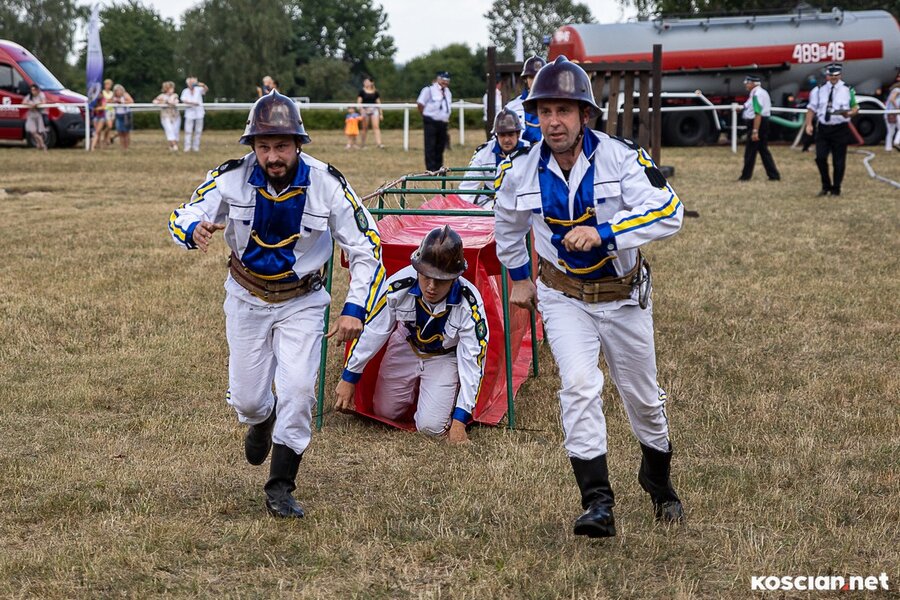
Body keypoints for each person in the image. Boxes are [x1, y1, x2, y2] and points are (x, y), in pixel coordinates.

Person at [167, 91, 385, 519]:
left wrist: (355, 307)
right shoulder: (231, 177)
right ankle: (261, 419)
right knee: (247, 401)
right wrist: (193, 229)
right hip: (246, 297)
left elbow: (367, 246)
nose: (272, 156)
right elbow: (183, 212)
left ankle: (281, 486)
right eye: (263, 146)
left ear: (298, 143)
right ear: (252, 146)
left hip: (302, 300)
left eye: (282, 145)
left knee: (299, 391)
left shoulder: (327, 183)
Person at [493, 56, 685, 539]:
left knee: (644, 401)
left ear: (585, 115)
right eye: (545, 112)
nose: (553, 122)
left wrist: (606, 232)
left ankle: (657, 481)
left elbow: (669, 210)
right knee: (579, 385)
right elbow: (508, 227)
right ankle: (597, 503)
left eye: (564, 111)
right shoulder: (520, 170)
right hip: (563, 297)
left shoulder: (622, 157)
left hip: (623, 296)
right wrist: (519, 277)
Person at [334, 226, 488, 444]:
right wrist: (349, 377)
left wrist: (460, 421)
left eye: (440, 279)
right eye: (426, 276)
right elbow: (374, 329)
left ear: (455, 278)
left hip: (444, 356)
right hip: (406, 345)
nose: (431, 286)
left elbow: (473, 362)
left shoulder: (470, 304)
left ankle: (441, 399)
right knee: (384, 412)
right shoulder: (399, 285)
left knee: (430, 428)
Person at [803, 63, 857, 197]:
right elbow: (811, 108)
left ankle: (836, 188)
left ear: (840, 75)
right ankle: (825, 185)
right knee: (820, 158)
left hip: (840, 128)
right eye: (831, 75)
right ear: (827, 75)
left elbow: (855, 107)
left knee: (838, 161)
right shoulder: (818, 90)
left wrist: (849, 114)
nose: (834, 78)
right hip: (823, 128)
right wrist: (809, 124)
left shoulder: (847, 89)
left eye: (836, 75)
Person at [459, 108, 529, 208]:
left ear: (518, 134)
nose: (506, 140)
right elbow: (467, 188)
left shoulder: (530, 151)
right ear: (496, 135)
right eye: (502, 135)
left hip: (522, 202)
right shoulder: (483, 153)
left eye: (510, 134)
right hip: (491, 203)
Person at [738, 75, 780, 181]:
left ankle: (745, 176)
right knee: (763, 150)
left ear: (753, 83)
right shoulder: (758, 93)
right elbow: (748, 105)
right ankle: (773, 175)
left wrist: (755, 130)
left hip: (758, 123)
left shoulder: (757, 94)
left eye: (748, 83)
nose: (746, 85)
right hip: (760, 122)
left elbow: (758, 113)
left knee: (750, 151)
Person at [504, 55, 545, 144]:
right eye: (532, 77)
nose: (536, 80)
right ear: (525, 79)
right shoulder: (511, 107)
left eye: (539, 76)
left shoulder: (555, 104)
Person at [417, 71, 452, 171]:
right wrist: (425, 116)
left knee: (440, 147)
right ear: (438, 79)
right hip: (431, 121)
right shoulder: (429, 90)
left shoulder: (448, 92)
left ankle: (438, 168)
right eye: (443, 79)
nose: (445, 82)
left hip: (443, 123)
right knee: (430, 146)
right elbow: (420, 104)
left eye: (447, 80)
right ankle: (431, 169)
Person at [181, 76, 208, 152]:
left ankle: (196, 147)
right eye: (190, 83)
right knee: (188, 131)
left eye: (193, 83)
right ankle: (187, 147)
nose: (191, 84)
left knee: (198, 131)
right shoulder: (185, 91)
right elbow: (183, 100)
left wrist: (202, 85)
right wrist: (193, 103)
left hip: (199, 113)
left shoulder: (199, 89)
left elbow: (206, 90)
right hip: (189, 113)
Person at [153, 80, 181, 151]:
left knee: (175, 130)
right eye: (171, 88)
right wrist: (163, 102)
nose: (172, 89)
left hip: (175, 115)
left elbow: (174, 101)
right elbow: (155, 101)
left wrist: (166, 102)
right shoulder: (161, 96)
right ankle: (174, 146)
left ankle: (172, 146)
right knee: (169, 130)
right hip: (166, 116)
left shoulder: (175, 95)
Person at [357, 76, 384, 149]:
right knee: (364, 128)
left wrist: (381, 113)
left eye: (367, 82)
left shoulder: (375, 92)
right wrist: (362, 110)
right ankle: (363, 144)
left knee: (376, 127)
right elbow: (359, 103)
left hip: (374, 110)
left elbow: (379, 103)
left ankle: (379, 143)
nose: (365, 83)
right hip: (364, 110)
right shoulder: (362, 92)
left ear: (371, 83)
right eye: (365, 82)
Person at [23, 84, 48, 151]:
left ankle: (39, 145)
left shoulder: (41, 94)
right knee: (32, 131)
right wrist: (30, 104)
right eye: (32, 90)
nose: (33, 91)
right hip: (31, 115)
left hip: (39, 114)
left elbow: (44, 102)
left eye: (34, 90)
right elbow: (23, 102)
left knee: (40, 131)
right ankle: (43, 145)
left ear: (37, 90)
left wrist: (36, 104)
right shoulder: (29, 96)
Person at [111, 83, 134, 152]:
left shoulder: (125, 95)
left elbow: (131, 101)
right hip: (118, 115)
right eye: (116, 91)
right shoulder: (114, 97)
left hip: (126, 115)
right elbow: (109, 101)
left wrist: (122, 102)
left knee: (126, 132)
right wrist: (114, 101)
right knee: (120, 132)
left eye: (119, 90)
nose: (118, 92)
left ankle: (127, 147)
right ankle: (122, 147)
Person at [882, 75, 900, 151]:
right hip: (892, 112)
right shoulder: (897, 90)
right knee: (892, 130)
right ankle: (896, 142)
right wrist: (897, 107)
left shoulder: (895, 90)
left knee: (891, 131)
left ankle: (888, 147)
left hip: (891, 112)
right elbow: (892, 99)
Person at [89, 85, 108, 151]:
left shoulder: (103, 99)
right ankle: (99, 145)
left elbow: (103, 107)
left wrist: (96, 108)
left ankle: (92, 147)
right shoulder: (93, 99)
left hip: (101, 117)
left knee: (96, 132)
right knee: (98, 132)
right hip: (95, 117)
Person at [102, 79, 116, 147]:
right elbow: (103, 101)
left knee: (110, 127)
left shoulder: (112, 93)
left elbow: (113, 100)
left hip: (112, 110)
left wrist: (110, 101)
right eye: (107, 84)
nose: (108, 86)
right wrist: (109, 100)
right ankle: (105, 137)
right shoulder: (103, 92)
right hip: (106, 110)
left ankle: (107, 139)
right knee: (109, 126)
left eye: (109, 84)